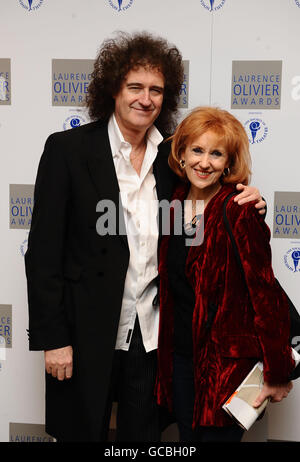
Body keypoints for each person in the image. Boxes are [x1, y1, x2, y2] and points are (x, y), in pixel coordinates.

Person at [25, 33, 265, 442]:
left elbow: (209, 192)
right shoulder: (68, 150)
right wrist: (54, 340)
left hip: (151, 339)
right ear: (114, 89)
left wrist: (248, 196)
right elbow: (44, 252)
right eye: (135, 87)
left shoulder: (173, 155)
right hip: (85, 335)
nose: (145, 98)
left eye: (156, 90)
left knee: (143, 442)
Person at [156, 106, 295, 443]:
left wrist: (278, 371)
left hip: (225, 370)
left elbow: (265, 295)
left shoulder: (240, 209)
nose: (205, 162)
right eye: (197, 150)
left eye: (216, 153)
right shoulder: (174, 203)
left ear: (229, 163)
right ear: (183, 153)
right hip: (180, 363)